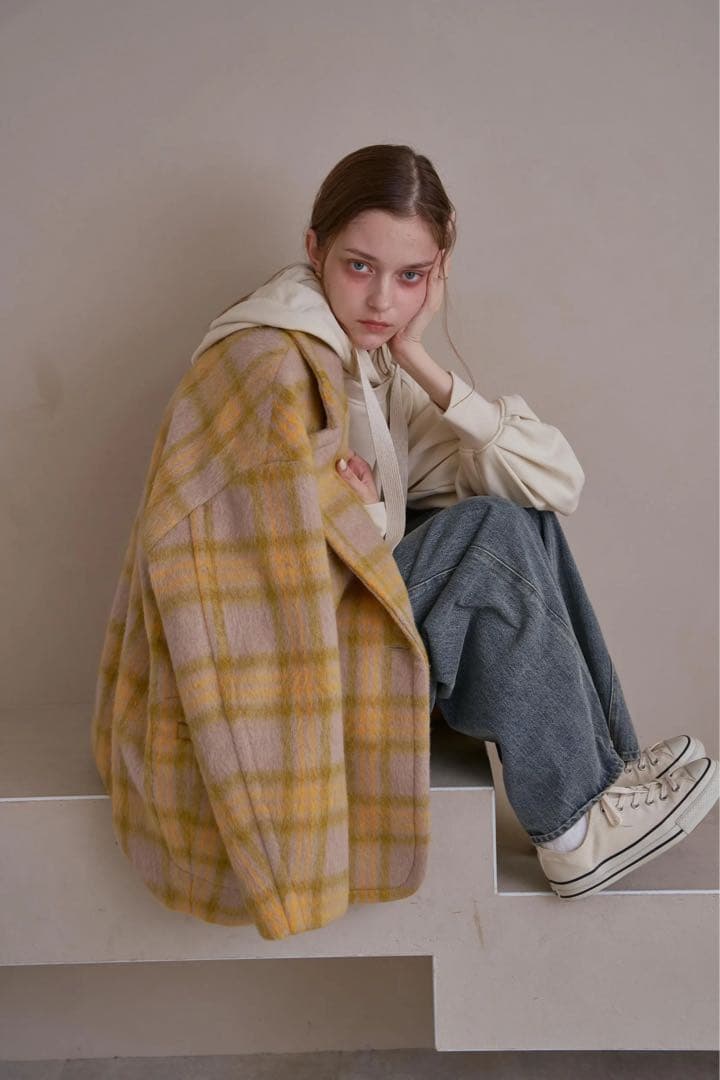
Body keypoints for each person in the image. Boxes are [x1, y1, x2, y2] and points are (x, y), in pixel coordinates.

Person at [189, 142, 718, 900]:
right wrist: (367, 519)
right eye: (360, 266)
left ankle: (606, 780)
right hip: (283, 678)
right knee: (487, 535)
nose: (382, 301)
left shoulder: (372, 365)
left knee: (514, 517)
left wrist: (418, 359)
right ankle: (573, 830)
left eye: (410, 276)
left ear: (437, 274)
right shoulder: (276, 360)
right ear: (314, 248)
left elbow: (554, 483)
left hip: (343, 636)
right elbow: (261, 580)